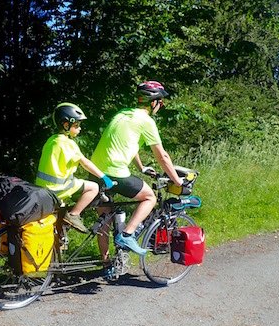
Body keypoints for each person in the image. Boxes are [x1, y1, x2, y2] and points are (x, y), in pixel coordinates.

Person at [90, 81, 186, 258]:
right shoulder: (146, 121)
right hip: (113, 172)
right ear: (153, 102)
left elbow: (128, 144)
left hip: (95, 171)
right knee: (149, 196)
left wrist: (141, 167)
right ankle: (127, 235)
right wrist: (177, 180)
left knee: (104, 219)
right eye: (161, 102)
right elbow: (162, 156)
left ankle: (106, 264)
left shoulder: (122, 114)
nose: (161, 105)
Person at [35, 102, 115, 233]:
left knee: (58, 218)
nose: (79, 129)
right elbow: (85, 163)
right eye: (76, 125)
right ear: (66, 125)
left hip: (42, 188)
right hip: (58, 189)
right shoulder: (67, 143)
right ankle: (74, 215)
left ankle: (59, 240)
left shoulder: (51, 140)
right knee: (93, 187)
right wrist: (104, 177)